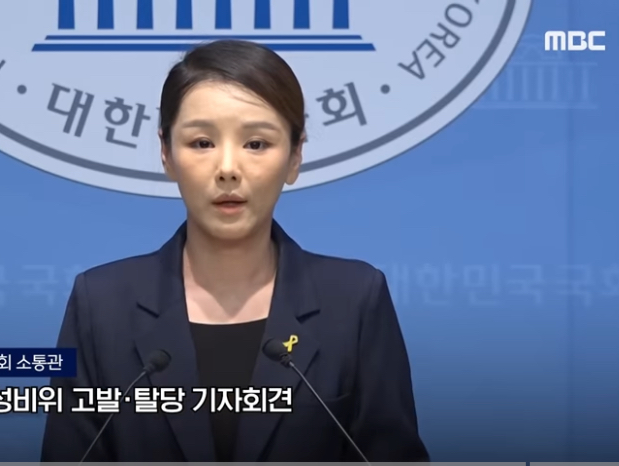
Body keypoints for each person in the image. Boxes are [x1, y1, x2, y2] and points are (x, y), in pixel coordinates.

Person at [41, 39, 429, 462]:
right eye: (202, 143)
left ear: (295, 156)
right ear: (166, 153)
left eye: (256, 144)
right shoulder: (101, 305)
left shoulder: (354, 300)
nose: (228, 169)